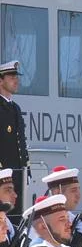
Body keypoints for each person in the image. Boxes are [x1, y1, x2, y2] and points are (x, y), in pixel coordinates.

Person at [0, 61, 30, 218]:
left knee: (17, 217)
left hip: (18, 173)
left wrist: (26, 166)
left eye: (16, 76)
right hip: (3, 175)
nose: (16, 80)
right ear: (0, 80)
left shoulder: (15, 108)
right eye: (11, 76)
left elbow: (21, 141)